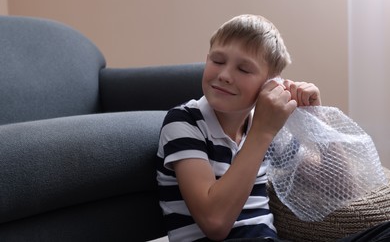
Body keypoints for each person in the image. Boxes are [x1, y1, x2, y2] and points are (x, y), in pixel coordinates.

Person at [155, 14, 389, 241]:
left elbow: (341, 189)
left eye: (244, 69)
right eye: (217, 61)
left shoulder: (266, 129)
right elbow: (214, 223)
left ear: (270, 83)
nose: (225, 75)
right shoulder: (184, 123)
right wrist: (263, 131)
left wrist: (316, 119)